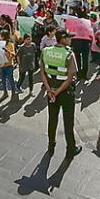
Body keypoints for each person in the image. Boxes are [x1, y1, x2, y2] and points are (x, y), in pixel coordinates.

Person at [39, 28, 82, 158]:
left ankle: (51, 145)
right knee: (68, 121)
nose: (70, 39)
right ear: (62, 39)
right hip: (65, 92)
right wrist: (57, 91)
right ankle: (71, 148)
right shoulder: (69, 54)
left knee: (52, 119)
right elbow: (70, 77)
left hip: (51, 91)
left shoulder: (46, 51)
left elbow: (42, 72)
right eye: (68, 37)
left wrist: (49, 89)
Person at [0, 30, 18, 98]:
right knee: (3, 80)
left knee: (10, 79)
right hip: (1, 65)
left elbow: (13, 54)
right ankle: (5, 92)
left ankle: (13, 93)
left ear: (3, 36)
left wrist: (6, 50)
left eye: (0, 35)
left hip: (9, 65)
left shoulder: (10, 44)